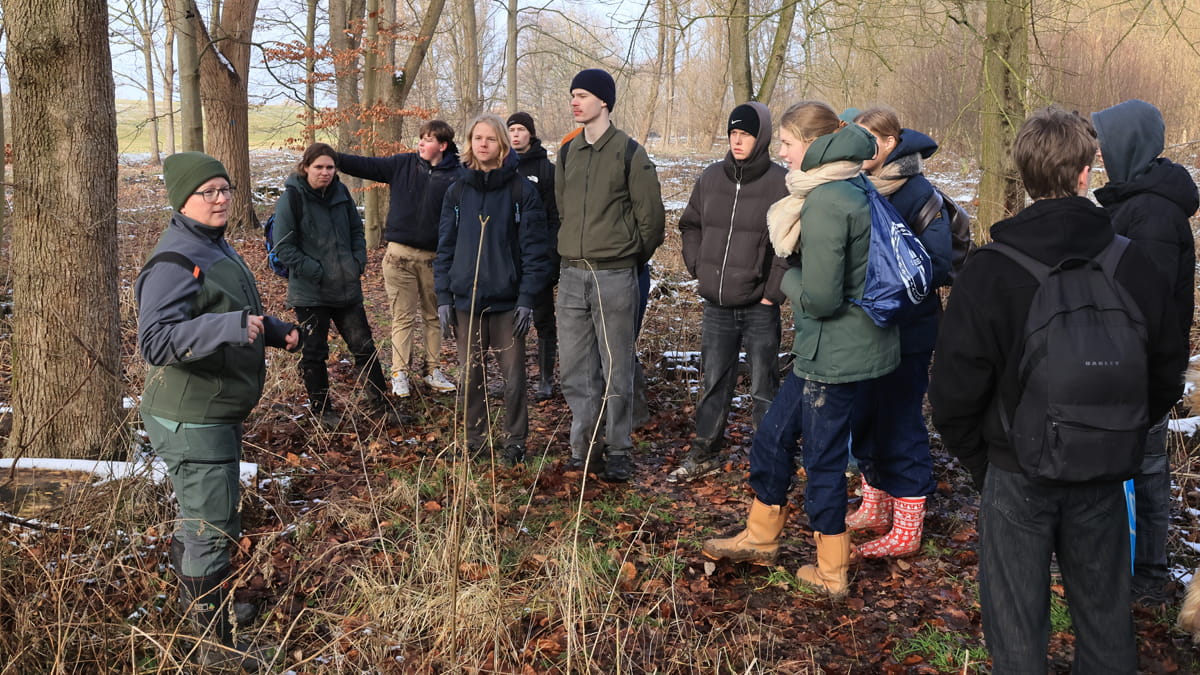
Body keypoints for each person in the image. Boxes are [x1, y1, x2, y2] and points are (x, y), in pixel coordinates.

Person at [929, 106, 1185, 672]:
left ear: (1023, 175)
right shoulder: (1131, 262)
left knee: (1017, 629)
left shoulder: (991, 269)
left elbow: (950, 391)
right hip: (1102, 470)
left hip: (1016, 471)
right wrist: (1116, 430)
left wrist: (988, 461)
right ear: (1085, 173)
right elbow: (1166, 368)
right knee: (1106, 620)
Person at [701, 101, 899, 598]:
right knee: (772, 437)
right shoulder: (844, 181)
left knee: (824, 459)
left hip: (836, 353)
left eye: (787, 144)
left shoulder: (831, 198)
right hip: (826, 349)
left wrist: (787, 278)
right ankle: (762, 536)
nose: (782, 153)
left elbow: (825, 297)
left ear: (810, 144)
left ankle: (832, 570)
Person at [136, 152, 299, 668]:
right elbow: (155, 341)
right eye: (208, 192)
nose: (221, 198)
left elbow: (221, 307)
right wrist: (230, 328)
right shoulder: (174, 259)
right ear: (182, 199)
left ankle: (203, 609)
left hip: (213, 411)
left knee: (207, 520)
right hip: (191, 419)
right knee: (212, 527)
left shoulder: (209, 242)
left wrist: (269, 329)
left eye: (225, 188)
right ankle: (213, 650)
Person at [1091, 99, 1198, 607]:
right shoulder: (1135, 200)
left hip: (1142, 368)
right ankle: (1125, 564)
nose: (1100, 155)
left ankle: (1149, 576)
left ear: (1126, 147)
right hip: (1130, 363)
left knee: (1147, 470)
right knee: (1132, 467)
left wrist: (1133, 370)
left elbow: (1147, 305)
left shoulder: (1151, 212)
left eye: (1106, 145)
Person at [841, 107, 954, 557]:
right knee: (866, 414)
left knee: (901, 420)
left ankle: (908, 521)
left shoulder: (920, 194)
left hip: (908, 331)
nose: (860, 145)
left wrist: (887, 279)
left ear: (890, 143)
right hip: (867, 329)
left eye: (869, 137)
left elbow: (939, 265)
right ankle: (877, 501)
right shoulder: (861, 185)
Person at [555, 68, 665, 482]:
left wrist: (624, 255)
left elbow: (651, 222)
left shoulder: (630, 153)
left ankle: (619, 448)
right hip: (570, 277)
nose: (574, 101)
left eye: (582, 94)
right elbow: (563, 210)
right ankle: (585, 448)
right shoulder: (567, 153)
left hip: (615, 276)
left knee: (616, 366)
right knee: (575, 368)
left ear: (604, 101)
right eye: (572, 94)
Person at [671, 101, 787, 483]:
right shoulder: (710, 178)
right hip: (716, 304)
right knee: (713, 381)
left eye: (746, 135)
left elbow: (789, 244)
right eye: (733, 134)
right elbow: (690, 224)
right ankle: (705, 449)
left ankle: (769, 459)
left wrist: (772, 293)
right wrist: (698, 266)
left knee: (762, 385)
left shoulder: (780, 182)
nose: (738, 141)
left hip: (759, 306)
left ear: (762, 138)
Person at [435, 113, 550, 464]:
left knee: (514, 379)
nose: (483, 144)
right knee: (470, 377)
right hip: (466, 303)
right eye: (477, 138)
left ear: (502, 144)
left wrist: (527, 299)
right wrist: (443, 297)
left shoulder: (521, 190)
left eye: (490, 139)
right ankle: (475, 440)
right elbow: (445, 247)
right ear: (469, 144)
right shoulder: (456, 190)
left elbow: (535, 250)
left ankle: (515, 442)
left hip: (507, 304)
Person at [272, 142, 399, 429]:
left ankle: (381, 406)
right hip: (311, 292)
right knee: (315, 353)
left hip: (347, 288)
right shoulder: (292, 198)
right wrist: (316, 271)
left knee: (364, 347)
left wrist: (357, 261)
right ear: (305, 168)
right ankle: (322, 410)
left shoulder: (341, 192)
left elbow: (356, 230)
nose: (325, 172)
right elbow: (283, 247)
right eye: (319, 167)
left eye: (330, 167)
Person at [336, 120, 460, 397]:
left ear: (442, 145)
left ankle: (432, 370)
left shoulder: (457, 177)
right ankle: (399, 373)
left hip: (436, 260)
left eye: (428, 139)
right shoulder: (402, 164)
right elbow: (366, 165)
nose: (421, 143)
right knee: (402, 317)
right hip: (398, 257)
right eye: (421, 138)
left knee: (433, 316)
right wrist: (333, 157)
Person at [508, 111, 561, 401]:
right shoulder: (501, 166)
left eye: (520, 129)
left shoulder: (546, 170)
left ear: (530, 133)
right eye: (511, 129)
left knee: (542, 318)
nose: (516, 134)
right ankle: (513, 377)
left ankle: (545, 378)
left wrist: (551, 257)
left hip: (538, 258)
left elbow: (556, 216)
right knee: (508, 320)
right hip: (507, 259)